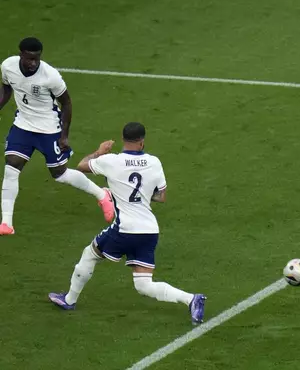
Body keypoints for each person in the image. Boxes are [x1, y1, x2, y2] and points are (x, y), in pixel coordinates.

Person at [48, 122, 206, 324]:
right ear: (142, 141)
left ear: (123, 139)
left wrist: (99, 151)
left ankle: (69, 299)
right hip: (149, 230)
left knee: (90, 254)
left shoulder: (111, 161)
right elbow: (161, 196)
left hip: (125, 229)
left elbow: (80, 166)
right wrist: (142, 196)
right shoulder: (154, 162)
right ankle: (191, 299)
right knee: (144, 285)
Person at [0, 37, 114, 235]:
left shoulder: (50, 75)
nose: (33, 63)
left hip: (48, 128)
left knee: (60, 174)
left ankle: (102, 195)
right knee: (12, 166)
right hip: (23, 125)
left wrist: (64, 135)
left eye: (37, 59)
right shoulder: (8, 66)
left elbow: (67, 103)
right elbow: (7, 88)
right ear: (21, 55)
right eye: (29, 59)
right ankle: (6, 223)